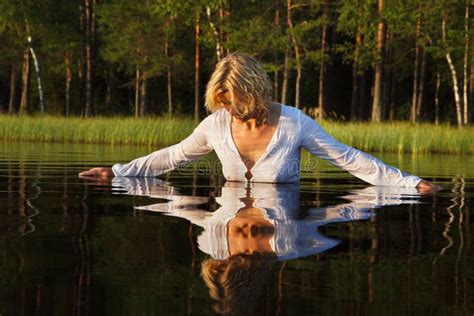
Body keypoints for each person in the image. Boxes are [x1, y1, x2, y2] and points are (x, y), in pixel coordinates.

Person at [79, 52, 439, 191]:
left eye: (236, 101)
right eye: (223, 102)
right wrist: (118, 171)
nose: (231, 110)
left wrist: (411, 184)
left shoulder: (295, 124)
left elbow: (349, 159)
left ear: (256, 91)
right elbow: (172, 157)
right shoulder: (216, 125)